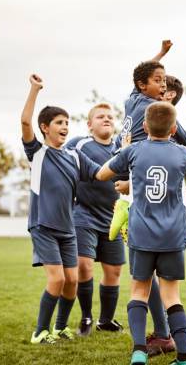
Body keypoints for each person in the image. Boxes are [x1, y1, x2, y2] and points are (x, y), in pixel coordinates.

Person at [96, 101, 186, 365]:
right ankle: (185, 357)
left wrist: (126, 160)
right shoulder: (183, 154)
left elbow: (103, 174)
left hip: (142, 234)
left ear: (145, 126)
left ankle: (138, 352)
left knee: (139, 292)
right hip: (172, 236)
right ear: (173, 129)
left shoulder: (134, 150)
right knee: (172, 296)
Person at [21, 74, 100, 344]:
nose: (65, 126)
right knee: (56, 280)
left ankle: (60, 328)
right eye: (59, 122)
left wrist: (124, 174)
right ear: (45, 127)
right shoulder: (38, 153)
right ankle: (39, 332)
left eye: (67, 122)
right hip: (43, 225)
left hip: (68, 230)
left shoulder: (74, 156)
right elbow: (24, 122)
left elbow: (101, 174)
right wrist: (34, 90)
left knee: (71, 282)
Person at [65, 103, 125, 336]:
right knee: (84, 266)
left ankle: (105, 320)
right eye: (100, 116)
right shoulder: (78, 144)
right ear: (90, 124)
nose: (106, 119)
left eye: (110, 116)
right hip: (84, 214)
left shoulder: (123, 148)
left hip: (113, 219)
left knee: (114, 272)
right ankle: (86, 318)